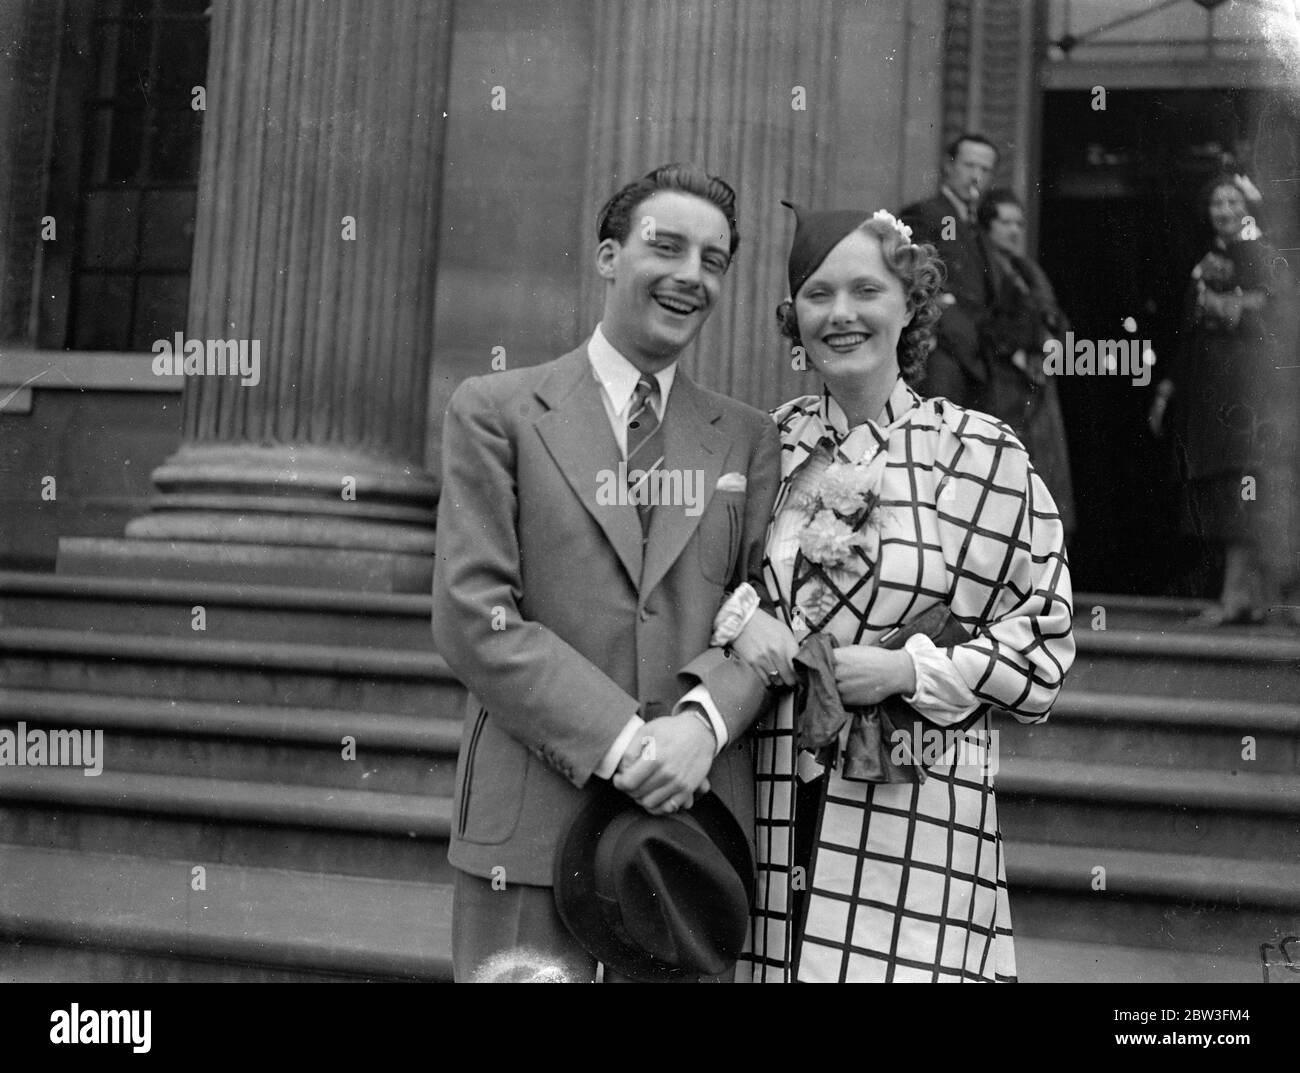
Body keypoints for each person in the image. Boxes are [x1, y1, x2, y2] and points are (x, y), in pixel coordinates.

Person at [431, 163, 782, 982]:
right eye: (667, 246)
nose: (692, 275)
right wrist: (624, 743)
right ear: (608, 257)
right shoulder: (497, 409)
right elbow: (472, 615)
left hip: (687, 836)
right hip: (528, 819)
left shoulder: (746, 438)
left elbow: (767, 617)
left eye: (715, 260)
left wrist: (699, 725)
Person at [713, 202, 1075, 982]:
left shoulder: (980, 455)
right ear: (793, 318)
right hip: (770, 804)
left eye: (865, 290)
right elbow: (701, 587)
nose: (840, 314)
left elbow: (1041, 642)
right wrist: (741, 619)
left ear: (911, 303)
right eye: (817, 294)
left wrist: (909, 670)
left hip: (917, 815)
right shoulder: (764, 447)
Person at [1150, 172, 1300, 626]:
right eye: (1218, 202)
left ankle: (1241, 597)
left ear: (1248, 208)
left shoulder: (1258, 253)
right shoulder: (1208, 259)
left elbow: (1280, 310)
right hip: (1209, 391)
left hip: (1246, 393)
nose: (1225, 210)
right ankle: (1247, 597)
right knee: (1225, 492)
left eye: (1234, 201)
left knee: (1244, 492)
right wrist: (1166, 390)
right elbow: (1190, 329)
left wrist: (1230, 306)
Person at [976, 187, 1077, 537]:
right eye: (1006, 222)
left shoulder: (1026, 269)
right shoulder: (982, 266)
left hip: (1036, 384)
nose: (1015, 230)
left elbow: (1052, 315)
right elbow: (987, 324)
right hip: (1002, 385)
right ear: (988, 226)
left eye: (1019, 223)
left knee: (1041, 476)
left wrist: (1055, 342)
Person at [899, 133, 1002, 409]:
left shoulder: (978, 229)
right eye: (970, 166)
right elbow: (917, 280)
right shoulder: (923, 214)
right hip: (943, 357)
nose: (976, 176)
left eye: (985, 169)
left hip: (976, 361)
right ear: (949, 165)